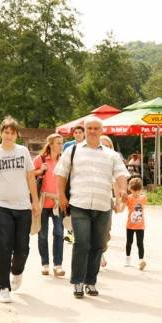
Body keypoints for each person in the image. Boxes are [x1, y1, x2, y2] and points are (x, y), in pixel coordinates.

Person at [56, 116, 129, 299]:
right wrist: (62, 196)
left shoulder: (111, 155)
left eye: (97, 128)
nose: (93, 131)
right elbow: (61, 174)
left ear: (102, 131)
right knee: (82, 243)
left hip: (103, 205)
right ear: (85, 130)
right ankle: (78, 282)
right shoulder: (72, 151)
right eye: (90, 128)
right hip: (79, 204)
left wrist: (122, 191)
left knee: (98, 245)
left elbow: (121, 174)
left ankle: (90, 281)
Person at [0, 116, 40, 303]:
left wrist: (35, 201)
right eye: (6, 131)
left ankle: (17, 271)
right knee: (4, 244)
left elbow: (30, 178)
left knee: (22, 248)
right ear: (1, 133)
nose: (8, 135)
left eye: (12, 132)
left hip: (22, 206)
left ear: (16, 135)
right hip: (0, 205)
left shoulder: (23, 152)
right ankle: (3, 286)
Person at [33, 133, 65, 277]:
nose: (61, 145)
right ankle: (45, 264)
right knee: (43, 235)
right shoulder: (40, 159)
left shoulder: (64, 160)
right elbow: (30, 175)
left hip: (58, 203)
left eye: (62, 143)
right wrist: (40, 170)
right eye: (58, 143)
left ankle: (58, 265)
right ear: (51, 144)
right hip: (43, 202)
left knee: (59, 233)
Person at [99, 135, 120, 268]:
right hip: (90, 200)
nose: (105, 148)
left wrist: (118, 201)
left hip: (106, 200)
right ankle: (98, 255)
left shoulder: (113, 161)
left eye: (108, 146)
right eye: (103, 145)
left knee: (106, 233)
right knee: (94, 231)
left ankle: (101, 250)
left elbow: (116, 182)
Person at [124, 177, 147, 270]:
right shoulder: (128, 198)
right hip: (130, 225)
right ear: (130, 189)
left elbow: (142, 208)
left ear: (141, 189)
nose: (135, 193)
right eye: (133, 191)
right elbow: (122, 205)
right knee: (129, 242)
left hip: (140, 226)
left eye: (137, 191)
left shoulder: (144, 198)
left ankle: (141, 260)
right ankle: (127, 258)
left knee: (140, 243)